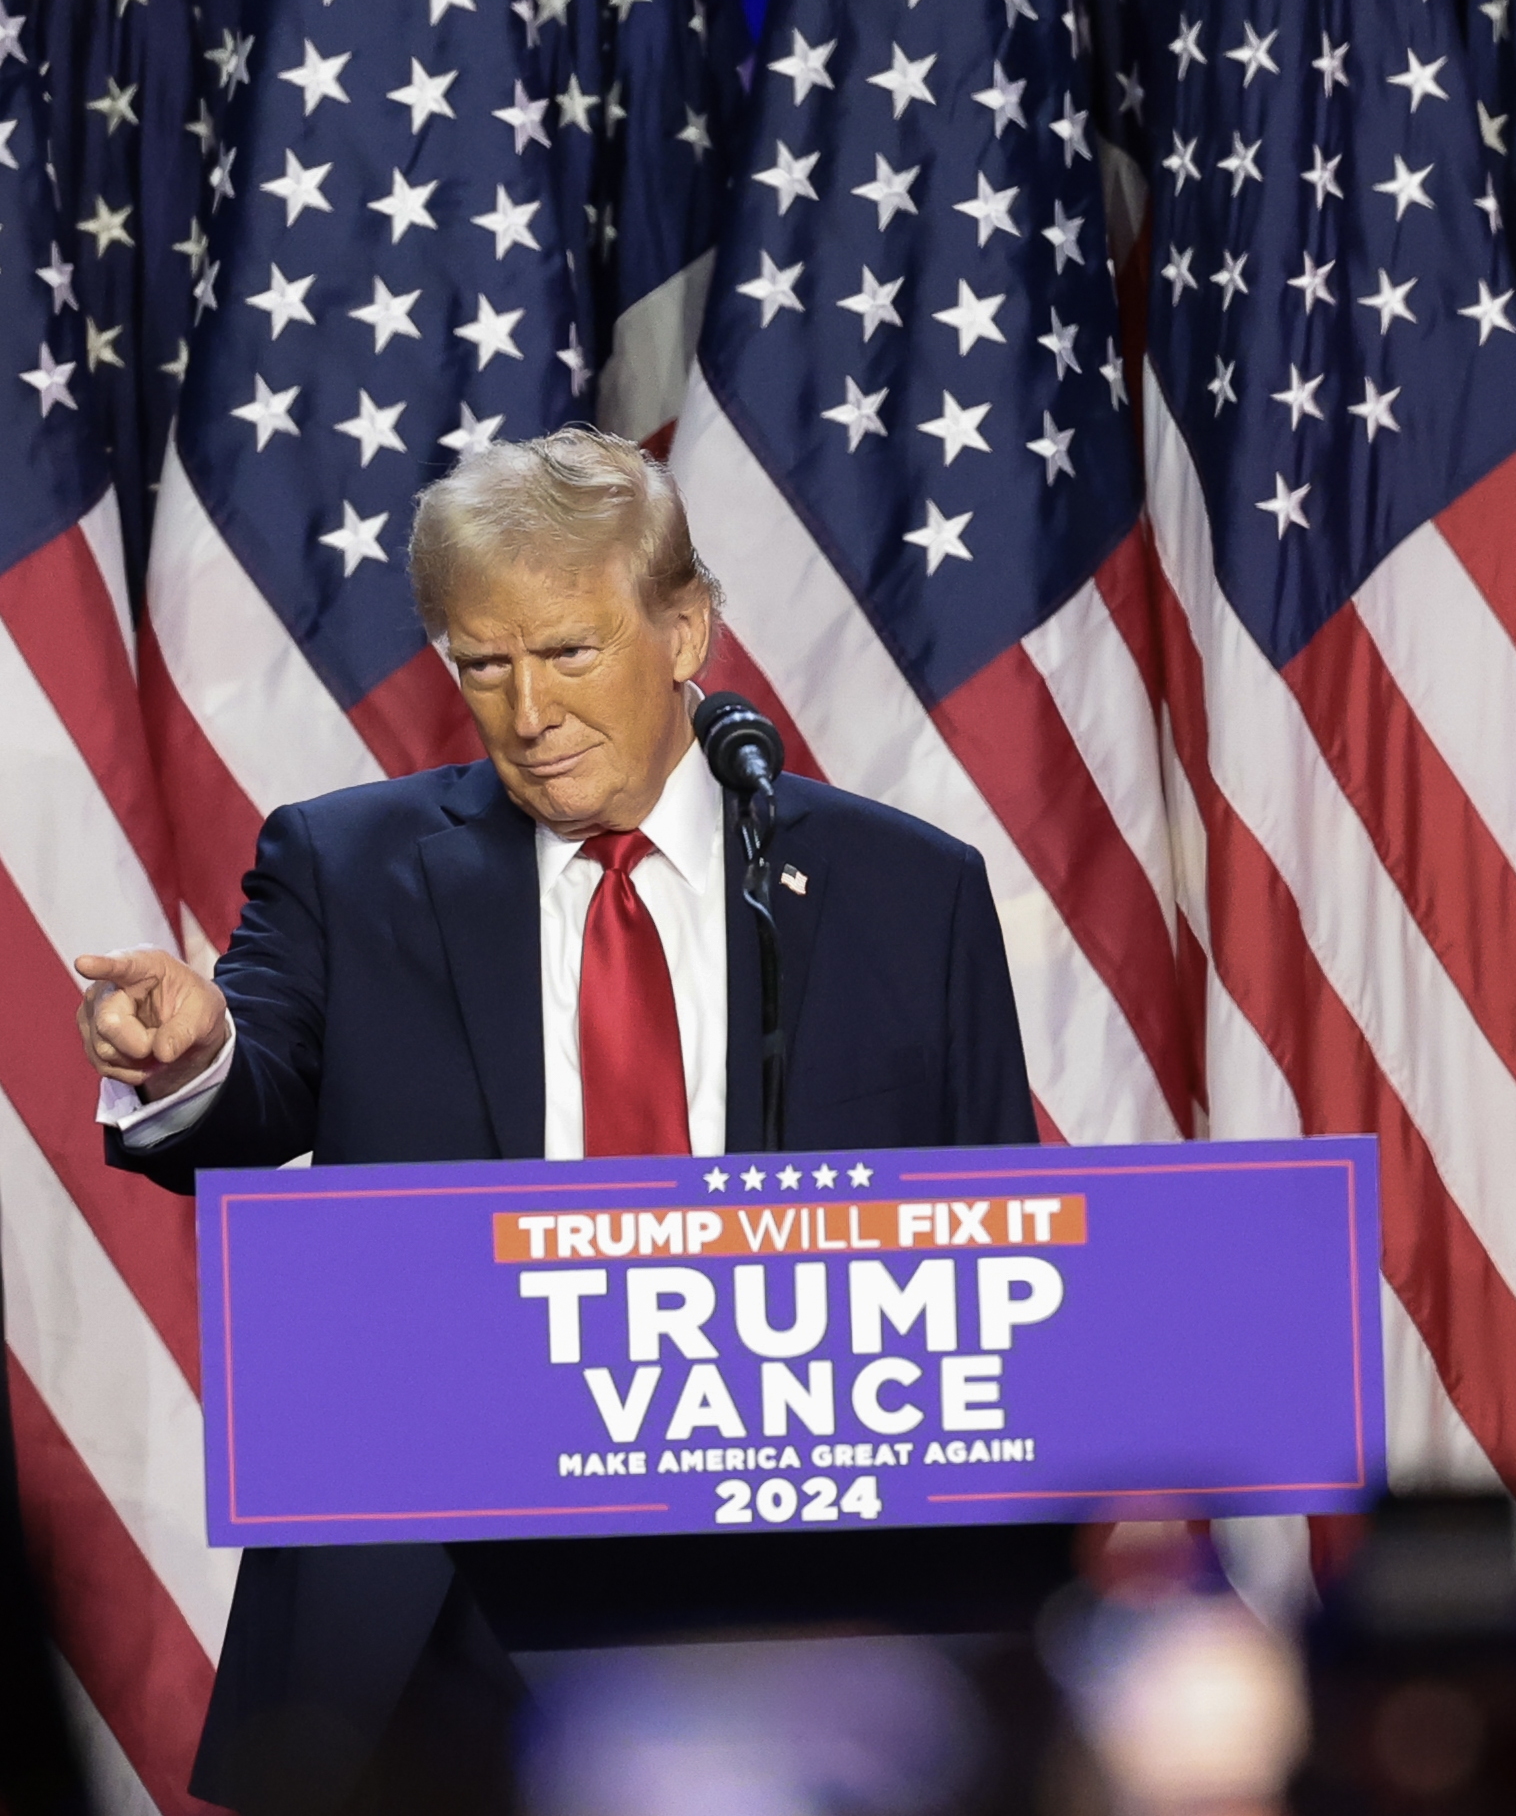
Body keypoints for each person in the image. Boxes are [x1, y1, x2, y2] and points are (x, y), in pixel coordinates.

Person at [74, 429, 1045, 1816]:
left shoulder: (905, 892)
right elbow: (248, 1092)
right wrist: (192, 1049)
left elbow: (998, 1248)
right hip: (445, 1601)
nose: (527, 709)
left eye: (570, 653)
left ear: (685, 629)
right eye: (484, 663)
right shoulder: (348, 867)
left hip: (813, 1591)